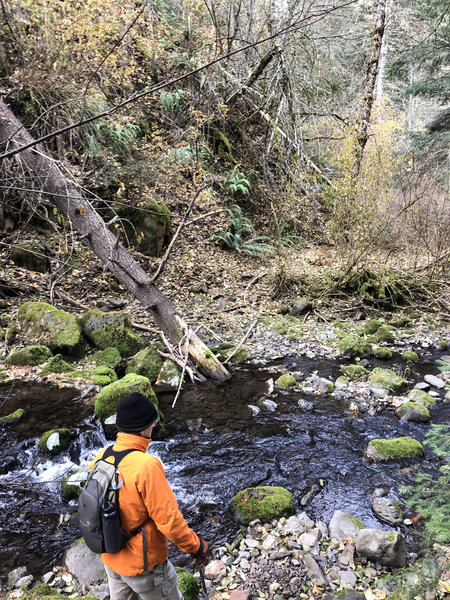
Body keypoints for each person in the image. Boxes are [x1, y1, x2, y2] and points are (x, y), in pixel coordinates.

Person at [89, 392, 209, 600]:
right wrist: (196, 546)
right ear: (143, 427)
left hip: (111, 558)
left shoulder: (102, 456)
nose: (154, 426)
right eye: (153, 422)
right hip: (144, 567)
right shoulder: (147, 466)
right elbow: (169, 522)